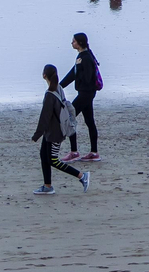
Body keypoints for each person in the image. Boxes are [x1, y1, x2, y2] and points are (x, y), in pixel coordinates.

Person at [31, 64, 88, 195]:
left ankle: (82, 176)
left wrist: (37, 135)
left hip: (55, 133)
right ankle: (47, 186)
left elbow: (44, 117)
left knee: (53, 160)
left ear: (44, 75)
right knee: (43, 156)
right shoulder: (59, 88)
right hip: (51, 131)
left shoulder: (50, 94)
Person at [60, 33, 102, 162]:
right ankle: (94, 153)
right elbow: (73, 74)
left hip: (86, 93)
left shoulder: (86, 57)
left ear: (80, 43)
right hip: (85, 93)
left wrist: (79, 80)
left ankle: (74, 152)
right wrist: (59, 86)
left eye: (74, 41)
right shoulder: (82, 56)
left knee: (69, 118)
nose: (72, 43)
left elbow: (87, 77)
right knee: (89, 121)